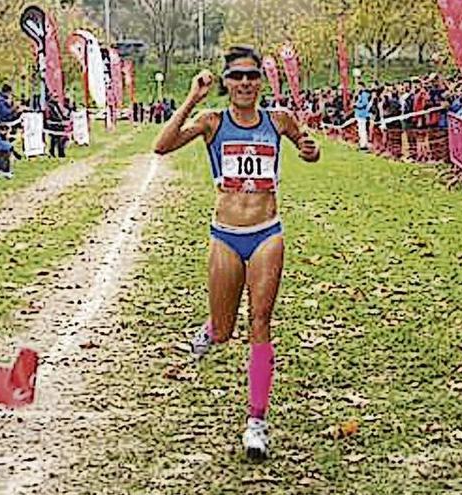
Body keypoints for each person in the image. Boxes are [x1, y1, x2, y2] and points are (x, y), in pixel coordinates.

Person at [153, 45, 320, 460]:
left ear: (260, 82)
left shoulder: (278, 120)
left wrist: (308, 149)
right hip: (226, 235)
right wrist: (193, 97)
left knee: (260, 319)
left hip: (267, 233)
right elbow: (162, 145)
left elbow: (306, 144)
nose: (245, 83)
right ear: (226, 83)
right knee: (226, 331)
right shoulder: (213, 122)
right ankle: (209, 331)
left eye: (251, 76)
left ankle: (256, 423)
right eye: (237, 77)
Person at [353, 81, 372, 150]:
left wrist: (356, 105)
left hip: (362, 114)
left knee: (362, 130)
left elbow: (364, 103)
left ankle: (364, 144)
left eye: (358, 86)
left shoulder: (364, 94)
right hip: (359, 114)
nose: (357, 88)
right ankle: (361, 143)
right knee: (360, 130)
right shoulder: (360, 94)